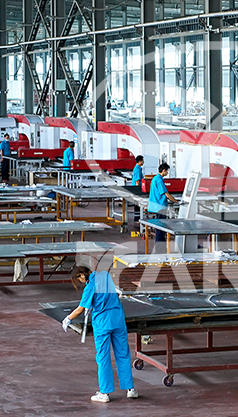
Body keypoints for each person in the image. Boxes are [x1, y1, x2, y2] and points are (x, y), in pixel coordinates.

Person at [63, 265, 139, 403]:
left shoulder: (89, 287)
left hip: (103, 324)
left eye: (79, 278)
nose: (80, 282)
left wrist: (68, 318)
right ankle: (130, 389)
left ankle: (104, 393)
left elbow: (80, 309)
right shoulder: (105, 276)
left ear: (82, 275)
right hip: (118, 320)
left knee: (103, 357)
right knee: (123, 354)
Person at [147, 163, 178, 244]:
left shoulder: (155, 178)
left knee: (159, 225)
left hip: (156, 206)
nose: (167, 173)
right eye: (167, 171)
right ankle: (160, 243)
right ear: (164, 170)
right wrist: (176, 201)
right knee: (161, 226)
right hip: (160, 206)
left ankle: (160, 241)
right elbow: (166, 194)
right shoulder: (159, 180)